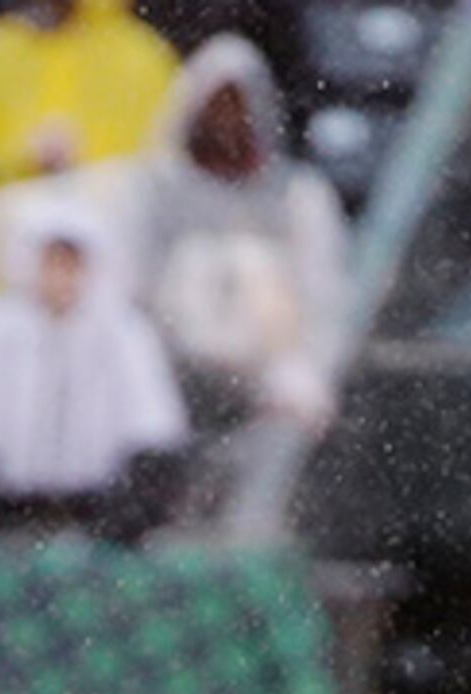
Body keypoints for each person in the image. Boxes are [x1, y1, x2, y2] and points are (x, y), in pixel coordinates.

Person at [0, 191, 186, 542]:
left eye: (72, 264)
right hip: (4, 507)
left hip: (100, 507)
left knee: (153, 482)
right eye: (51, 263)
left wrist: (110, 528)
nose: (61, 278)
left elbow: (154, 432)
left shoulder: (126, 332)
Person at [114, 34, 348, 438]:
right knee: (201, 259)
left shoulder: (297, 196)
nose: (224, 121)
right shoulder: (154, 191)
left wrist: (309, 368)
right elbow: (129, 286)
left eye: (236, 106)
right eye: (215, 105)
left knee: (251, 262)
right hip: (170, 367)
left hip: (266, 376)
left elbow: (325, 293)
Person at [0, 0, 173, 236]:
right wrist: (19, 161)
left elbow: (170, 170)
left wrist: (91, 179)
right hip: (5, 233)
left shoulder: (142, 57)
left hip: (114, 228)